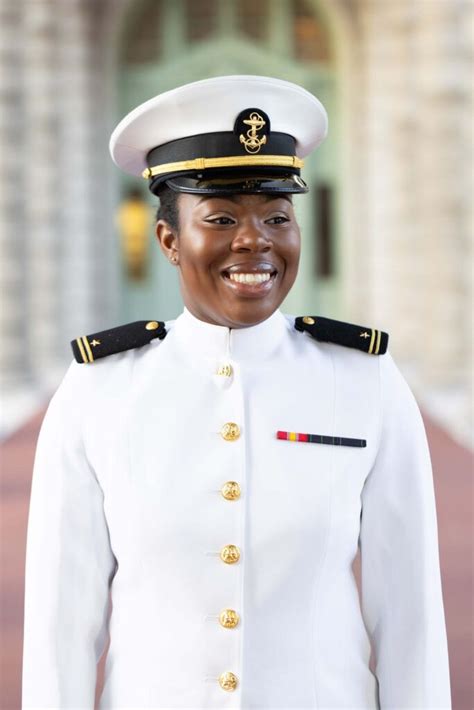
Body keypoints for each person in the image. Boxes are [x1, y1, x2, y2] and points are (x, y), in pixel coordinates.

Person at [22, 75, 451, 708]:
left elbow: (411, 615)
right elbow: (60, 624)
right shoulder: (98, 391)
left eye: (277, 217)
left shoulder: (364, 381)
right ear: (169, 240)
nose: (255, 240)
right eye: (221, 218)